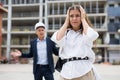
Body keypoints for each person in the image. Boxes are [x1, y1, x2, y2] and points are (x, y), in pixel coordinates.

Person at [51, 5, 101, 80]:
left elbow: (91, 36)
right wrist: (66, 21)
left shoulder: (85, 32)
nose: (74, 18)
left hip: (84, 71)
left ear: (82, 16)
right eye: (71, 16)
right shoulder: (66, 33)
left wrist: (83, 19)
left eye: (77, 15)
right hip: (66, 72)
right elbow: (57, 39)